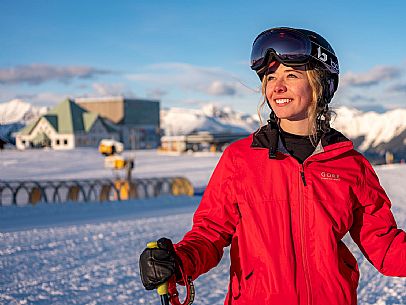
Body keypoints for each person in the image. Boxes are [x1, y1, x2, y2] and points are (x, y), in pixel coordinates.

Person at [139, 27, 406, 305]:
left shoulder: (350, 165)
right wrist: (178, 260)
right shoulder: (240, 159)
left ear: (320, 84)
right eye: (270, 77)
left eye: (291, 75)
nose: (277, 86)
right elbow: (209, 234)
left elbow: (385, 247)